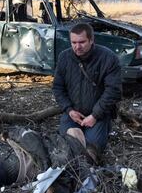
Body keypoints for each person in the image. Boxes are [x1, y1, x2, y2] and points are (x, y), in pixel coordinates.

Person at [52, 23, 122, 153]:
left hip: (98, 114)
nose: (77, 46)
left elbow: (114, 91)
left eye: (82, 42)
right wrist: (69, 110)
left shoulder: (108, 58)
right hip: (73, 113)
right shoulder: (64, 57)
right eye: (73, 42)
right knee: (66, 143)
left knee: (92, 148)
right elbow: (58, 88)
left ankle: (102, 128)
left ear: (91, 40)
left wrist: (95, 115)